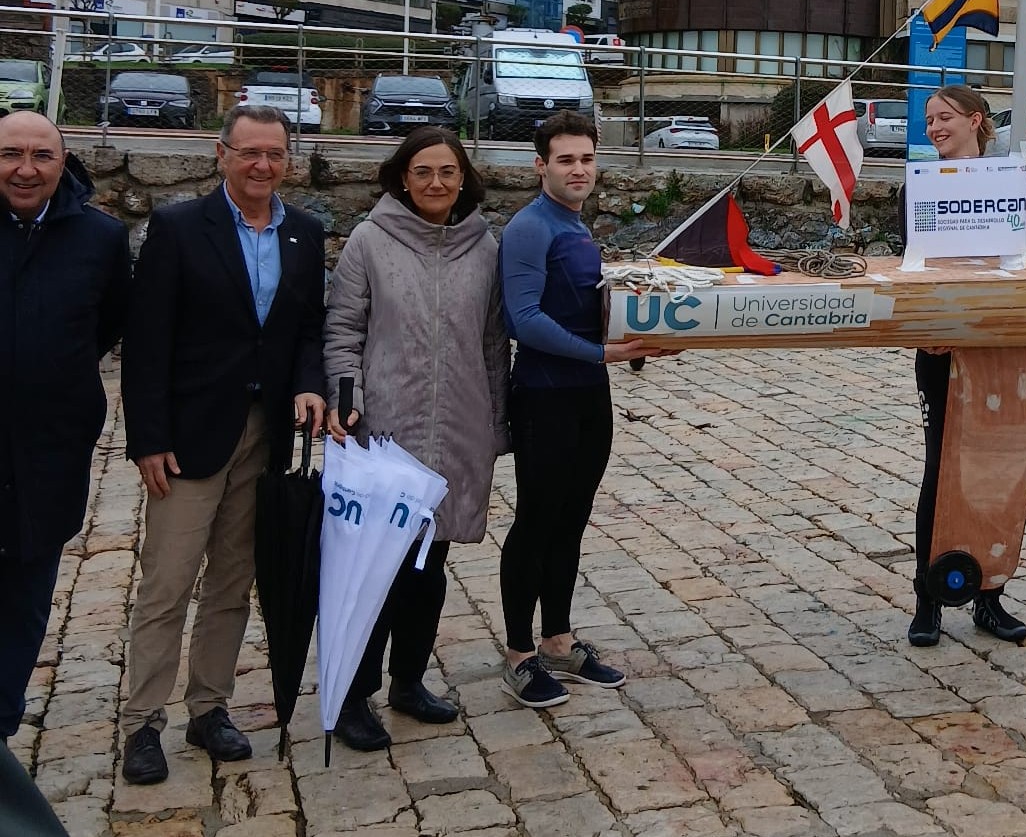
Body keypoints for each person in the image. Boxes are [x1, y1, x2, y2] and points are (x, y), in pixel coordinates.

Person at [120, 105, 327, 785]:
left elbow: (304, 332)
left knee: (234, 582)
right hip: (188, 437)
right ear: (222, 154)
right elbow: (146, 342)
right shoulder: (180, 229)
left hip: (264, 433)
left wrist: (306, 386)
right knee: (168, 581)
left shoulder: (304, 232)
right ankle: (143, 720)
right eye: (249, 153)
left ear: (288, 159)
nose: (262, 165)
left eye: (274, 153)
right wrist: (147, 437)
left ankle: (209, 707)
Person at [323, 127, 510, 751]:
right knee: (376, 568)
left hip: (457, 426)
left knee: (430, 566)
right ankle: (353, 693)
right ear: (403, 176)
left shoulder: (484, 247)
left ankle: (408, 680)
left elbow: (491, 343)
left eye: (448, 172)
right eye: (424, 171)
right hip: (386, 431)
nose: (436, 183)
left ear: (463, 179)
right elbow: (344, 329)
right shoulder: (371, 241)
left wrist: (495, 423)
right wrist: (348, 408)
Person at [903, 86, 1026, 647]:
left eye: (945, 118)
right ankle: (927, 599)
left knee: (994, 474)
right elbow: (912, 264)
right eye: (929, 119)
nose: (934, 127)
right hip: (942, 349)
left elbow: (1024, 267)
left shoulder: (1012, 185)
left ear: (975, 121)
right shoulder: (919, 186)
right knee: (941, 474)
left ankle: (989, 596)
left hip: (1001, 351)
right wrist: (928, 329)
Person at [497, 110, 670, 708]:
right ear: (540, 164)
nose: (578, 169)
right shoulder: (529, 227)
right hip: (545, 395)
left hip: (589, 395)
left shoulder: (575, 223)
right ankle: (520, 653)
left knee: (571, 519)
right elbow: (524, 320)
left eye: (587, 159)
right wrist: (603, 351)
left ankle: (558, 639)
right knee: (536, 521)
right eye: (565, 159)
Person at [0, 113, 129, 742]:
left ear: (62, 162)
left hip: (49, 447)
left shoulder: (100, 238)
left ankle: (0, 721)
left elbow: (105, 326)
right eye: (10, 154)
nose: (25, 169)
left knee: (28, 590)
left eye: (40, 156)